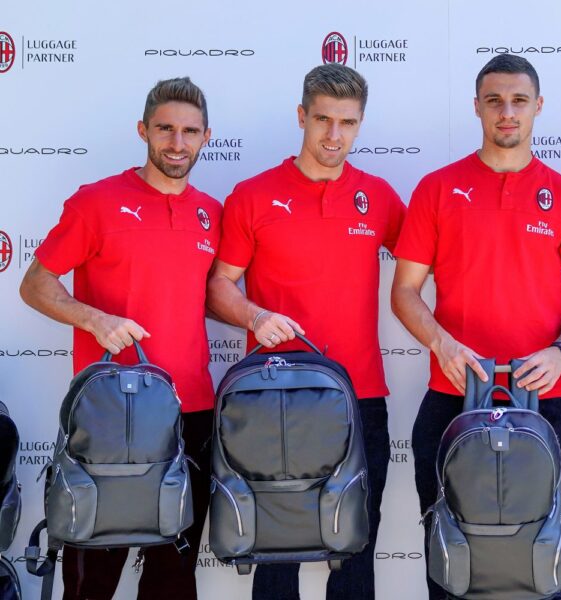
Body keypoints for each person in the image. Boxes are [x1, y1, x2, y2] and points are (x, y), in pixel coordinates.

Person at [391, 54, 561, 600]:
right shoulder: (437, 189)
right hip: (452, 399)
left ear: (538, 106)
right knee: (453, 569)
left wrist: (560, 352)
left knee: (544, 569)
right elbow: (404, 291)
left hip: (545, 402)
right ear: (477, 107)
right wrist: (441, 343)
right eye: (494, 101)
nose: (507, 112)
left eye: (519, 100)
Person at [205, 63, 405, 600]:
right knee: (276, 553)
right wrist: (255, 317)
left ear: (359, 125)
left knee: (355, 547)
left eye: (347, 122)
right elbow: (218, 286)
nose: (333, 134)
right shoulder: (252, 195)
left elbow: (428, 264)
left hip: (360, 395)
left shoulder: (379, 197)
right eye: (322, 119)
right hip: (274, 398)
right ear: (301, 116)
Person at [19, 77, 219, 599]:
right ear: (143, 130)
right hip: (111, 412)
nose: (177, 143)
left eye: (190, 131)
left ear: (206, 137)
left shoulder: (211, 213)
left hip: (190, 413)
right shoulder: (96, 202)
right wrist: (94, 319)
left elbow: (211, 296)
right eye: (165, 129)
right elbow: (35, 284)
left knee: (173, 576)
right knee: (92, 577)